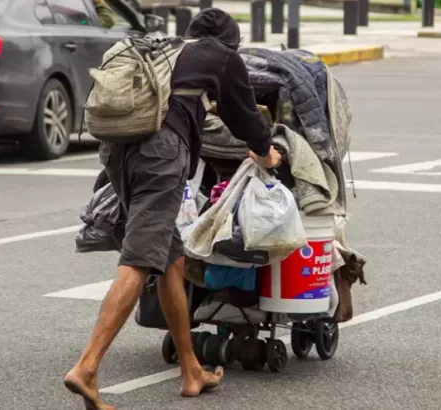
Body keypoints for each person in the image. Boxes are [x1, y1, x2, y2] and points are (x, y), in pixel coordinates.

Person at [63, 8, 282, 410]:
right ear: (231, 43)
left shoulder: (166, 48)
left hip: (117, 150)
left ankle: (191, 370)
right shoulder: (223, 56)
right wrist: (266, 152)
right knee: (141, 257)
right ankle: (87, 368)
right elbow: (243, 115)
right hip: (160, 153)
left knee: (171, 259)